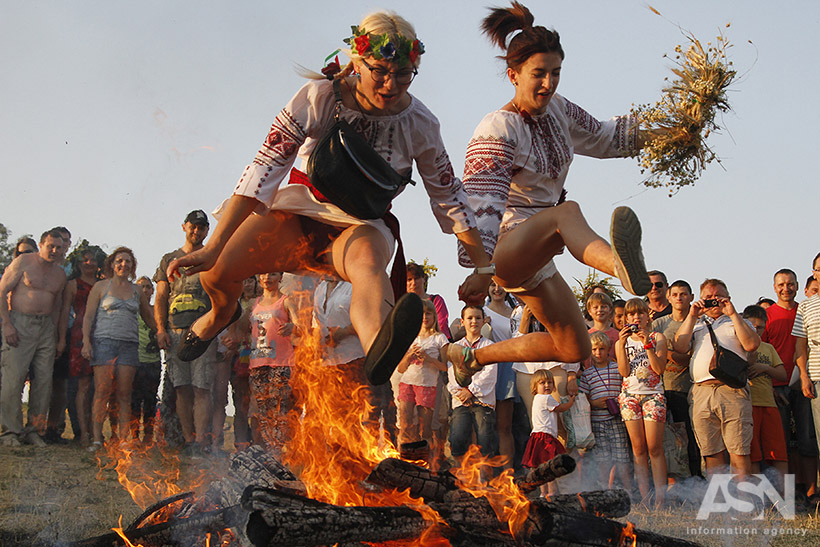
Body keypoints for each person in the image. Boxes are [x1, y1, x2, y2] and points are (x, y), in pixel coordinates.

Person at [165, 11, 494, 390]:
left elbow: (449, 196)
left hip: (359, 226)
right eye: (380, 71)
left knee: (369, 266)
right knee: (217, 270)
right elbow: (264, 168)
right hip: (300, 214)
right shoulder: (319, 96)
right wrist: (214, 245)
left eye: (403, 74)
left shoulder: (420, 123)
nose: (391, 84)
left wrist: (483, 268)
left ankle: (377, 351)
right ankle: (221, 313)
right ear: (358, 61)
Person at [451, 2, 653, 388]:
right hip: (508, 245)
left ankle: (472, 356)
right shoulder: (497, 127)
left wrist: (669, 133)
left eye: (555, 73)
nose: (548, 84)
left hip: (541, 250)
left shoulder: (559, 110)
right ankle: (621, 268)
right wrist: (480, 268)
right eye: (538, 75)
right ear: (513, 75)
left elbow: (604, 136)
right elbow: (481, 204)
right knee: (567, 211)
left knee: (573, 347)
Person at [673, 279, 760, 480]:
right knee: (710, 452)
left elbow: (751, 344)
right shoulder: (695, 324)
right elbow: (679, 346)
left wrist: (732, 313)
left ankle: (742, 501)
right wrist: (693, 315)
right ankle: (719, 501)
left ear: (727, 298)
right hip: (702, 392)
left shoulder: (740, 321)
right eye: (708, 298)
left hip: (732, 390)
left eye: (718, 296)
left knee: (738, 449)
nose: (713, 301)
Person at [154, 210, 218, 456]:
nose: (197, 231)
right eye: (193, 226)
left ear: (206, 231)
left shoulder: (211, 257)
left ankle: (201, 442)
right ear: (184, 227)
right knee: (182, 387)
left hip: (204, 330)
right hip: (175, 330)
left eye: (202, 227)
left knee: (202, 386)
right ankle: (188, 439)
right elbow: (161, 296)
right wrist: (160, 329)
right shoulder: (169, 259)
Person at [82, 247, 156, 450]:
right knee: (102, 391)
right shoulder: (100, 287)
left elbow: (147, 317)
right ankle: (97, 439)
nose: (123, 264)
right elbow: (88, 317)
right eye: (119, 261)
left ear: (133, 266)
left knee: (125, 393)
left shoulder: (136, 290)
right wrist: (86, 342)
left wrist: (161, 333)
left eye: (128, 261)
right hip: (103, 342)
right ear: (112, 265)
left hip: (129, 345)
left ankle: (123, 439)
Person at [0, 229, 67, 446]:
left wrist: (58, 337)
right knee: (14, 378)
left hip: (46, 327)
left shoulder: (60, 274)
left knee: (43, 382)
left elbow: (57, 307)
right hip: (20, 322)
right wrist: (7, 324)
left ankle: (34, 430)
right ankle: (10, 431)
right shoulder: (23, 263)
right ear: (41, 245)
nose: (55, 251)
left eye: (59, 247)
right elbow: (1, 291)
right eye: (51, 246)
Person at [763, 268, 817, 499]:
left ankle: (811, 489)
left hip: (804, 382)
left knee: (808, 438)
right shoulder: (768, 315)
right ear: (774, 287)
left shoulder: (806, 310)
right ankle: (785, 494)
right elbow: (761, 354)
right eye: (781, 284)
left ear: (797, 286)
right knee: (781, 442)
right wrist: (769, 387)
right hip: (777, 386)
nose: (786, 288)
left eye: (791, 284)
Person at [230, 272, 297, 454]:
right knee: (263, 409)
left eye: (273, 274)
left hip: (280, 362)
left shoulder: (286, 301)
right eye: (264, 274)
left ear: (280, 278)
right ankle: (269, 448)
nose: (268, 278)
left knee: (278, 408)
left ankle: (278, 449)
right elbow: (241, 328)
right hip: (257, 363)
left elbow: (301, 326)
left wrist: (293, 327)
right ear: (260, 277)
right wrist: (231, 339)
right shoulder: (254, 304)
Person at [616, 298, 667, 507]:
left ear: (648, 315)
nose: (636, 317)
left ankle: (661, 499)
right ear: (626, 318)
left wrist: (647, 345)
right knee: (638, 449)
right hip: (629, 395)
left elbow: (659, 369)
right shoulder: (623, 341)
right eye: (631, 314)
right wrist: (621, 344)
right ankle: (645, 499)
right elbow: (624, 371)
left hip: (653, 394)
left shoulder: (658, 337)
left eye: (640, 313)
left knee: (654, 447)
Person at [651, 279, 700, 479]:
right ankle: (668, 482)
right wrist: (674, 353)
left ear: (691, 297)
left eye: (684, 294)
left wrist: (668, 352)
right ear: (669, 297)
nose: (679, 298)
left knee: (690, 438)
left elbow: (688, 357)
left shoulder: (698, 322)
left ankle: (695, 479)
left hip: (688, 388)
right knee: (665, 441)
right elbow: (653, 354)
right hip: (661, 387)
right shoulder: (659, 324)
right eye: (675, 294)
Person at [57, 246, 105, 446]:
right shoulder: (72, 285)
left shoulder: (104, 284)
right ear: (78, 263)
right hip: (78, 334)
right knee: (83, 386)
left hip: (102, 333)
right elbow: (64, 312)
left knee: (101, 387)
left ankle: (97, 434)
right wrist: (61, 339)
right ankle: (83, 433)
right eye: (85, 260)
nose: (89, 263)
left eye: (93, 260)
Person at [579, 332, 632, 492]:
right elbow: (583, 399)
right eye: (594, 349)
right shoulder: (587, 374)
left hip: (617, 420)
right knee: (603, 460)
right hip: (597, 421)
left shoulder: (617, 368)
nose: (598, 353)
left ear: (609, 348)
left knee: (622, 458)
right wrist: (594, 403)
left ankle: (628, 490)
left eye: (601, 349)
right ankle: (604, 491)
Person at [742, 305, 789, 487]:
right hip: (748, 405)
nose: (756, 330)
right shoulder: (738, 346)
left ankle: (785, 500)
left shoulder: (768, 348)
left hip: (769, 405)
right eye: (751, 326)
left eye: (760, 327)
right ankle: (756, 500)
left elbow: (782, 375)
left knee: (778, 453)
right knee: (752, 454)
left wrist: (764, 368)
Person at [447, 306, 498, 468]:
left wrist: (471, 391)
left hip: (482, 399)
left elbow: (490, 374)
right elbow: (451, 373)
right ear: (462, 322)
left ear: (483, 321)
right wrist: (462, 393)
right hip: (460, 400)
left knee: (485, 440)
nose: (474, 321)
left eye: (477, 318)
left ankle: (484, 477)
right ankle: (462, 474)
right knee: (458, 438)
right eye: (469, 318)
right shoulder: (455, 347)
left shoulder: (489, 346)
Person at [396, 298, 448, 447]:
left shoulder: (440, 338)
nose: (425, 317)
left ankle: (426, 462)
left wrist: (428, 359)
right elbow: (400, 368)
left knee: (425, 429)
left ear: (434, 316)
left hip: (427, 385)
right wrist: (409, 355)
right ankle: (404, 457)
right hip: (407, 382)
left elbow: (445, 367)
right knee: (405, 424)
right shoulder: (410, 337)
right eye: (422, 314)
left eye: (428, 314)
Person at [522, 368, 575, 497]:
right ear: (535, 386)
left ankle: (543, 492)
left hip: (537, 436)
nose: (547, 385)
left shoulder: (537, 398)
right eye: (542, 383)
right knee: (550, 467)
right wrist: (571, 402)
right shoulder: (546, 398)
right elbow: (560, 408)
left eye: (550, 382)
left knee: (540, 467)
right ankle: (551, 493)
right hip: (545, 437)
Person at [484, 280, 517, 469]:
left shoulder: (516, 312)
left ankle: (508, 474)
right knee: (483, 426)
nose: (497, 289)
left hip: (509, 367)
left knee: (505, 426)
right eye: (492, 285)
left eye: (501, 285)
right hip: (488, 366)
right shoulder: (482, 311)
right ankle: (485, 474)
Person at [794, 252, 820, 489]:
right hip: (817, 378)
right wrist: (804, 376)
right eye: (819, 269)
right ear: (814, 272)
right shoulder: (806, 305)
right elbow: (800, 345)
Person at [131, 276, 161, 445]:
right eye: (141, 287)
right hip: (134, 359)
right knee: (134, 400)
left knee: (150, 400)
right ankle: (134, 436)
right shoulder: (131, 310)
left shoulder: (157, 310)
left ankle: (148, 437)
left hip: (153, 360)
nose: (145, 290)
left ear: (152, 291)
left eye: (148, 287)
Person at [407, 262, 452, 340]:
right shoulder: (402, 305)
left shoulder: (436, 301)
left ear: (424, 279)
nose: (413, 283)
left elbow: (442, 325)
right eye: (409, 279)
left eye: (416, 278)